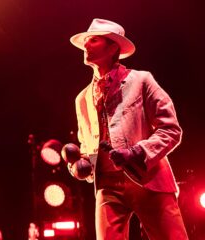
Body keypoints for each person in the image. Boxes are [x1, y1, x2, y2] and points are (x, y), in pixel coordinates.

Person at [67, 18, 188, 239]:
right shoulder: (82, 98)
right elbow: (88, 145)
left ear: (113, 47)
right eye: (86, 41)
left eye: (93, 40)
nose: (86, 45)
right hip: (108, 186)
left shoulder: (141, 80)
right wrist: (80, 165)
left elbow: (171, 130)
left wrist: (137, 152)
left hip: (149, 179)